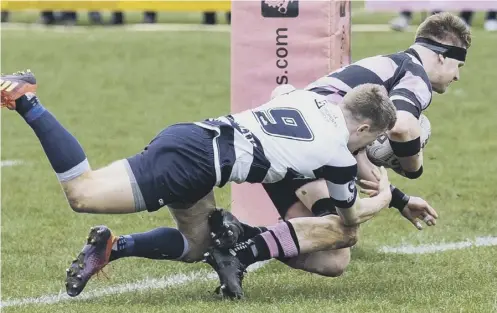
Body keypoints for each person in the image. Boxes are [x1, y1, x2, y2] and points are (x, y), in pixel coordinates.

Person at [0, 69, 397, 298]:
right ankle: (27, 100)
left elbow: (282, 91)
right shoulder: (341, 157)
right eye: (370, 139)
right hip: (192, 162)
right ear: (363, 126)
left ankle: (113, 247)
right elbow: (349, 218)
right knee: (82, 193)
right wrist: (383, 197)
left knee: (195, 246)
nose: (365, 149)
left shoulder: (307, 97)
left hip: (196, 141)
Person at [203, 12, 470, 298]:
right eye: (458, 64)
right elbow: (403, 128)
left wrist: (400, 199)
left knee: (332, 260)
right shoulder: (414, 75)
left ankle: (239, 236)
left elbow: (354, 159)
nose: (457, 75)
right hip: (303, 151)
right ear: (441, 56)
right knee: (343, 231)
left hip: (290, 146)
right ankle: (239, 255)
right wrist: (413, 165)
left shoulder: (388, 66)